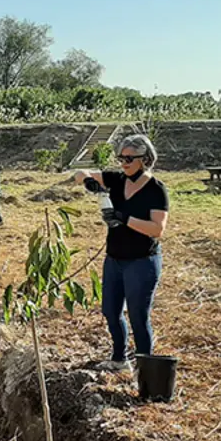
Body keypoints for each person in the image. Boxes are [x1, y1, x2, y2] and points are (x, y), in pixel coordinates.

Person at [73, 134, 168, 371]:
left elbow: (157, 229)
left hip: (142, 261)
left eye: (129, 158)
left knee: (138, 316)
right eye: (121, 158)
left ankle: (145, 369)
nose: (123, 163)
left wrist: (124, 219)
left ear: (145, 159)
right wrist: (88, 182)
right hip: (114, 258)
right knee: (110, 311)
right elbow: (79, 173)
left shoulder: (156, 190)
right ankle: (119, 358)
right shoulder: (116, 180)